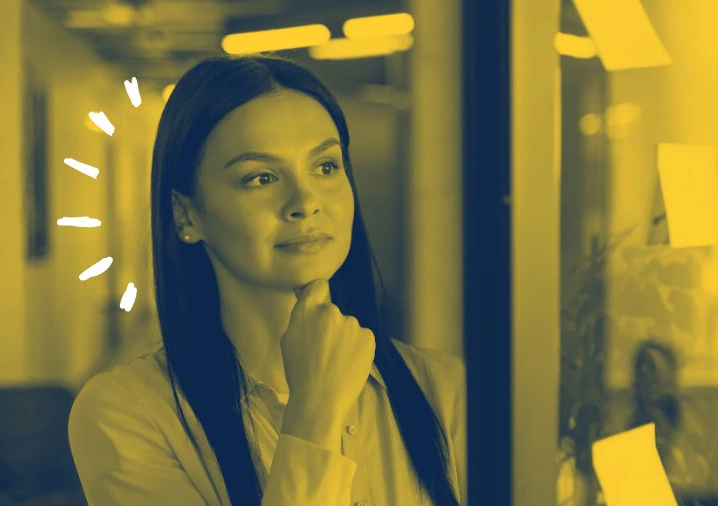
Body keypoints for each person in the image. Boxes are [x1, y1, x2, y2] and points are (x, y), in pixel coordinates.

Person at [67, 53, 467, 506]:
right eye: (261, 178)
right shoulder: (126, 412)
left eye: (326, 166)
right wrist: (314, 409)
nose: (305, 201)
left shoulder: (444, 389)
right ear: (186, 214)